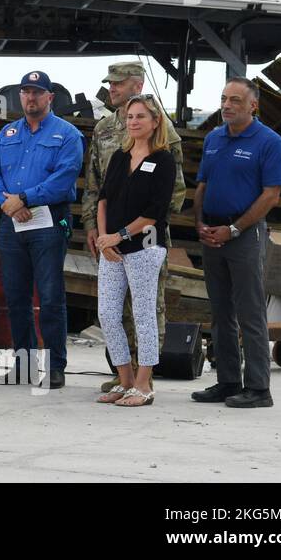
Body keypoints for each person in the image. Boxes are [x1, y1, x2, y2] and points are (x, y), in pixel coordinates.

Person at [81, 62, 186, 393]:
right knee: (112, 312)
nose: (112, 88)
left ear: (137, 85)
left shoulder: (162, 130)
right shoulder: (103, 129)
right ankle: (121, 373)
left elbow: (175, 189)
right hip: (108, 237)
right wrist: (94, 229)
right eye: (109, 83)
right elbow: (96, 185)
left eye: (119, 83)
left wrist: (148, 230)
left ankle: (145, 376)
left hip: (146, 237)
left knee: (147, 309)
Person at [0, 70, 84, 389]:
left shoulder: (67, 135)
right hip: (12, 222)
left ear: (49, 98)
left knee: (51, 296)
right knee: (16, 297)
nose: (30, 97)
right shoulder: (8, 133)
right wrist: (7, 202)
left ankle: (55, 366)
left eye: (37, 92)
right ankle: (24, 365)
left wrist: (25, 198)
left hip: (48, 221)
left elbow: (65, 177)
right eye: (26, 92)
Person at [191, 78, 281, 409]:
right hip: (212, 233)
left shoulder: (269, 142)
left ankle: (259, 388)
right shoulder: (214, 138)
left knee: (250, 312)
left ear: (252, 105)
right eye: (223, 99)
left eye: (234, 100)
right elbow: (203, 184)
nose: (227, 105)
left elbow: (271, 195)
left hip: (244, 234)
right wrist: (200, 223)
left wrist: (233, 229)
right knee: (220, 312)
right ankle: (228, 381)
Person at [94, 95, 176, 407]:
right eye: (130, 117)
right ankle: (124, 379)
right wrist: (104, 238)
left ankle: (144, 384)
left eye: (141, 116)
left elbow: (155, 212)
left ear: (156, 122)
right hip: (112, 248)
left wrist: (119, 235)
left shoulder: (164, 160)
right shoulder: (118, 157)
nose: (133, 122)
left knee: (143, 315)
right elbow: (103, 199)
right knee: (108, 314)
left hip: (144, 246)